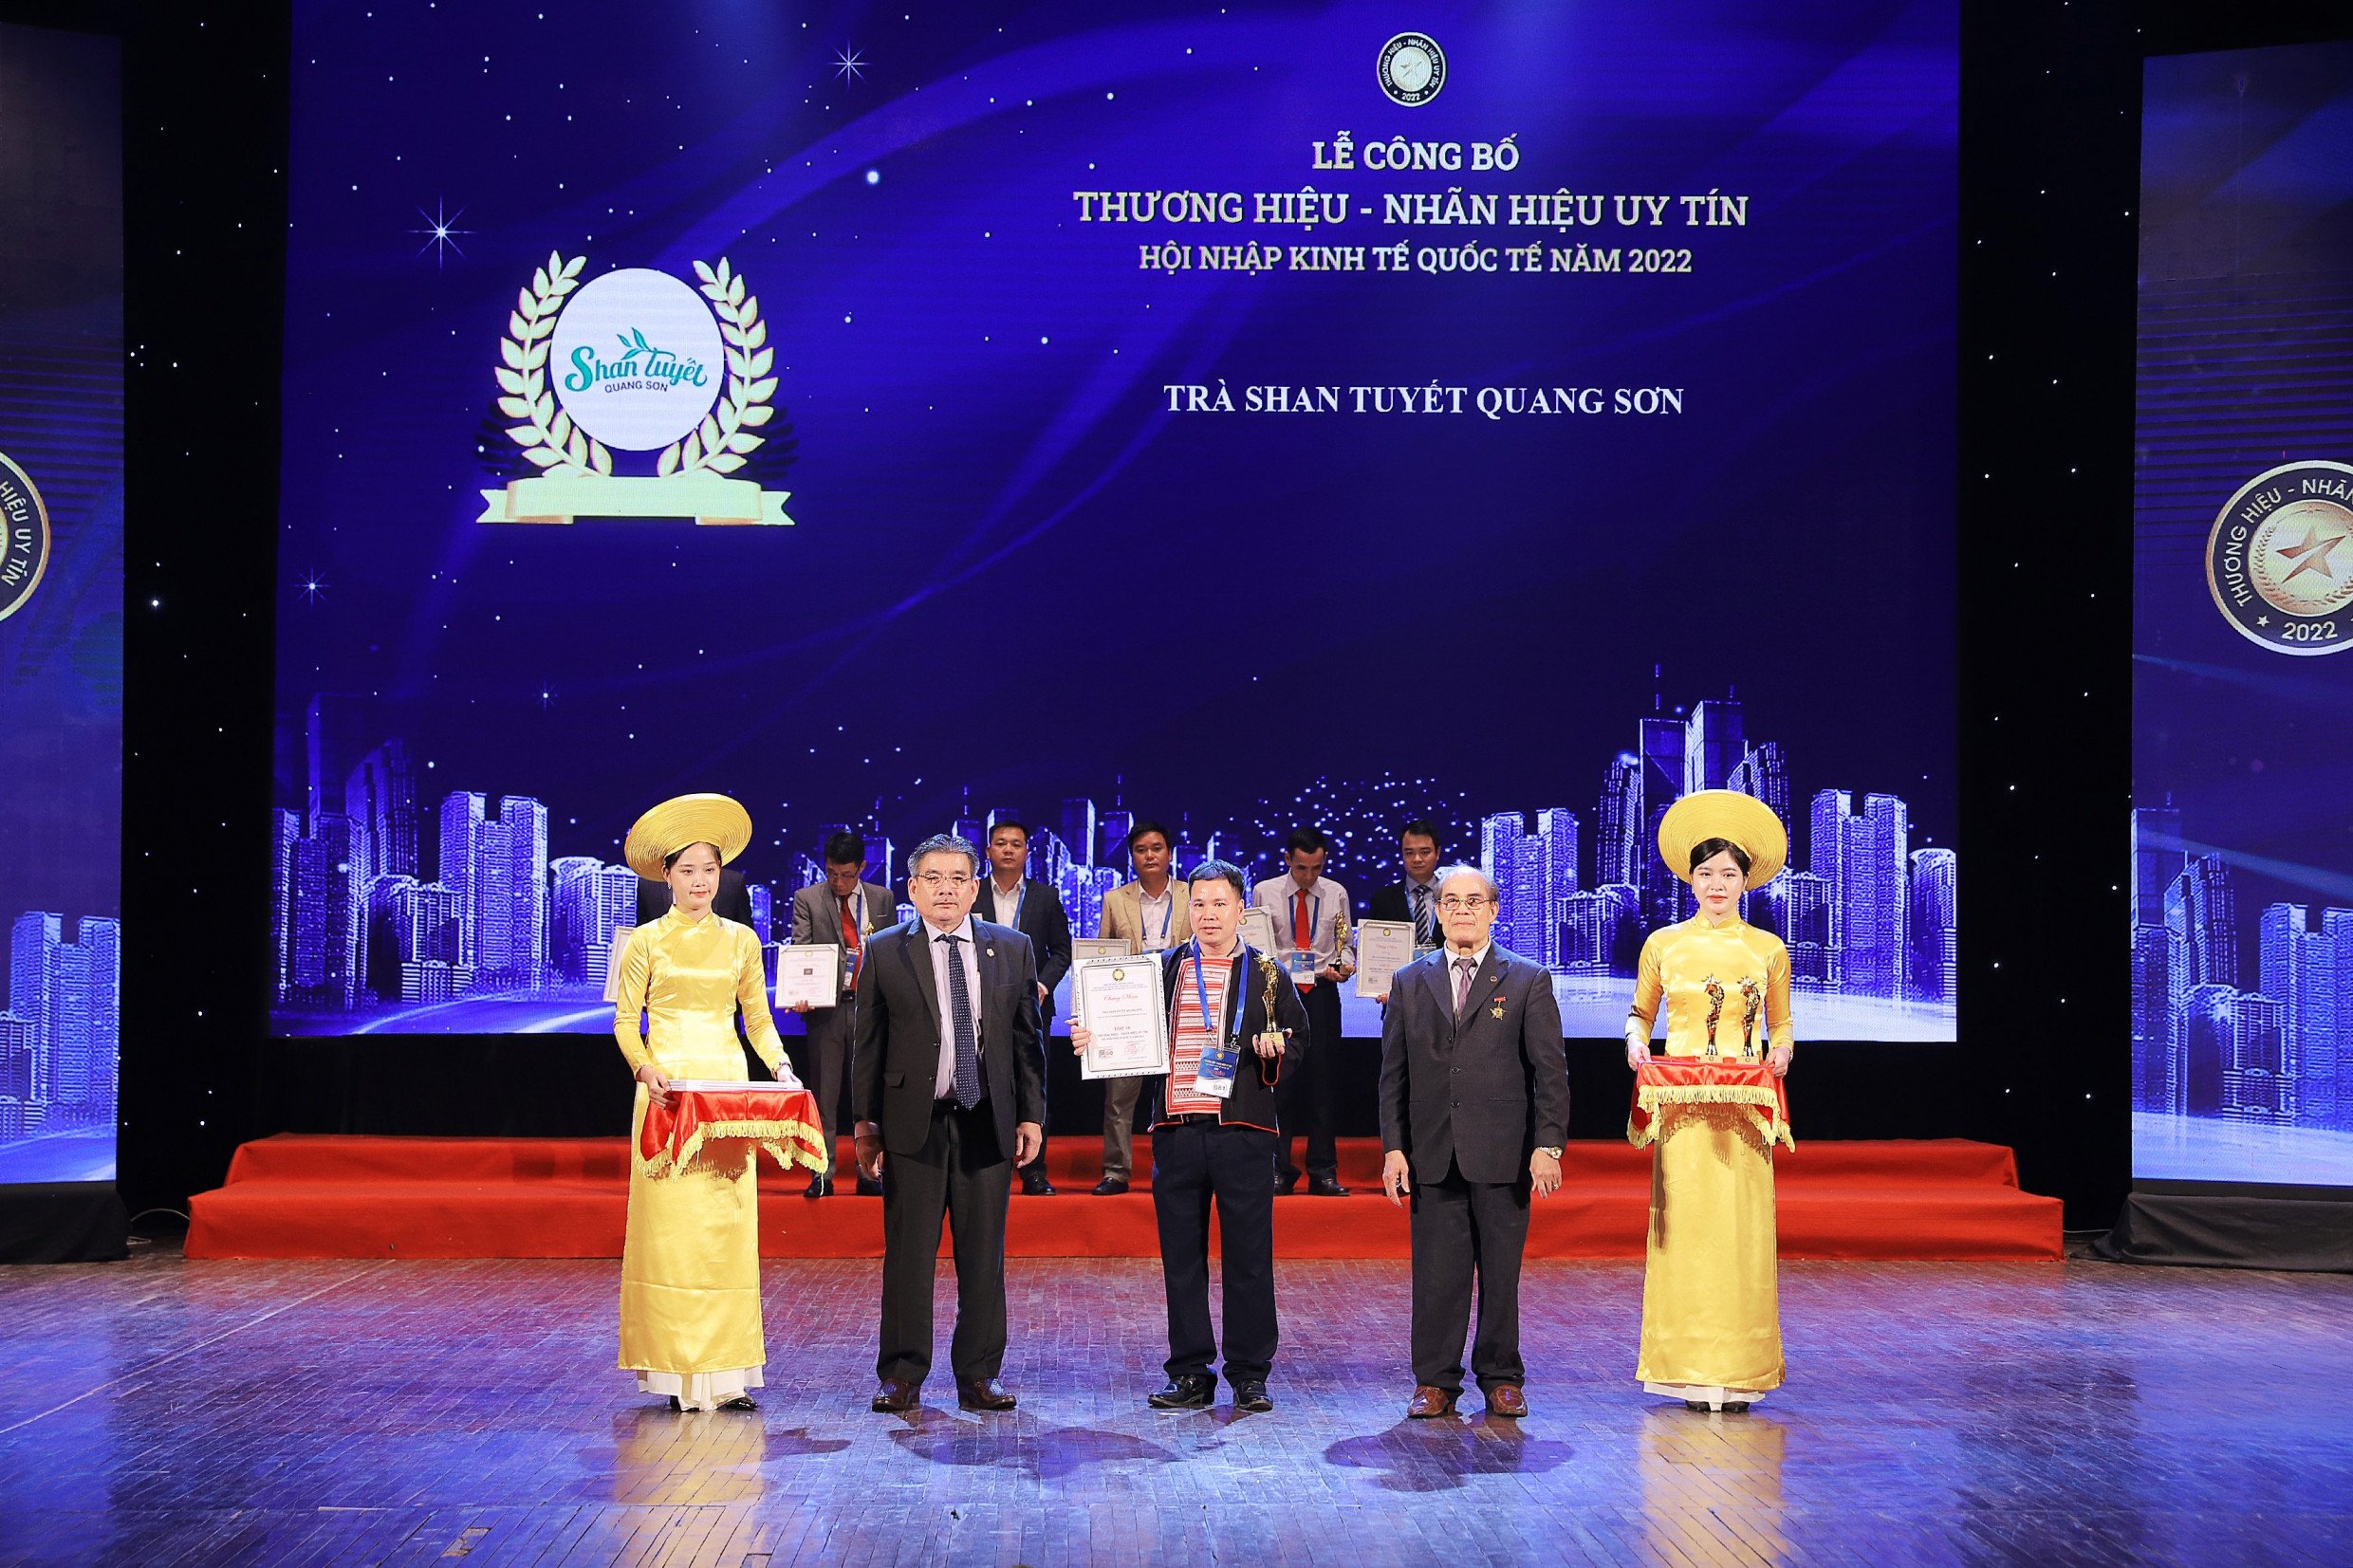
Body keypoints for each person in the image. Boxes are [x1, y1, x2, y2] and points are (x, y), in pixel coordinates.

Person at [1070, 859, 1306, 1412]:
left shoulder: (1268, 973)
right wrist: (1094, 1038)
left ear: (1241, 910)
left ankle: (1249, 1373)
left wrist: (1274, 1050)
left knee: (1249, 1258)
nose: (1208, 915)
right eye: (1198, 904)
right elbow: (1126, 1027)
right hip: (1176, 1130)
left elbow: (1298, 1043)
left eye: (1219, 904)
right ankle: (1190, 1372)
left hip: (1243, 1131)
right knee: (1181, 1260)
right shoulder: (1164, 968)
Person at [611, 794, 804, 1413]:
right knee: (671, 1234)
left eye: (710, 870)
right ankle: (674, 1372)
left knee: (724, 1230)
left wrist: (780, 1065)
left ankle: (728, 1374)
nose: (700, 881)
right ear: (666, 875)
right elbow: (625, 1022)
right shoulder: (644, 941)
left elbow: (758, 1020)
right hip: (667, 1094)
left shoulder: (742, 940)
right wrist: (645, 1068)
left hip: (723, 1096)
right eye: (688, 870)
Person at [853, 832, 1046, 1413]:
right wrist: (865, 1126)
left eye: (958, 878)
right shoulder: (885, 949)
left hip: (987, 1119)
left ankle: (980, 1375)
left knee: (984, 1256)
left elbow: (1027, 1042)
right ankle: (901, 1374)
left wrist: (1031, 1115)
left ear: (974, 887)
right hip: (913, 1123)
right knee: (909, 1255)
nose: (946, 889)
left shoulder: (1011, 947)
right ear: (912, 889)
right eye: (933, 879)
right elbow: (869, 1045)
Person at [1378, 864, 1569, 1419]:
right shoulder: (1409, 981)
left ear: (1493, 910)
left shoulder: (1528, 979)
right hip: (1432, 1152)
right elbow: (1392, 1076)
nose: (1462, 910)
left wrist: (1548, 1145)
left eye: (1473, 901)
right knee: (1437, 1277)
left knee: (1501, 1275)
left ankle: (1502, 1377)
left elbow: (1550, 1073)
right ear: (1438, 912)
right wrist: (1394, 1147)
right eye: (1451, 902)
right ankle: (1434, 1380)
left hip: (1503, 1152)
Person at [1625, 790, 1795, 1414]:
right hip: (1683, 1112)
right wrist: (1635, 1044)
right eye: (1705, 873)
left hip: (1744, 1112)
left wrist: (1782, 1052)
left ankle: (1740, 1372)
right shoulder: (1663, 943)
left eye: (1727, 873)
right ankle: (1685, 1371)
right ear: (1690, 879)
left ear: (1746, 879)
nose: (1716, 884)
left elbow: (1781, 1024)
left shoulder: (1768, 948)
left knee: (1741, 1235)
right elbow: (1640, 1014)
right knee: (1686, 1233)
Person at [787, 831, 893, 1197]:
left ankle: (870, 1172)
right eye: (831, 873)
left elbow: (891, 952)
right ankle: (822, 1172)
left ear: (861, 867)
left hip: (871, 1011)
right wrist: (801, 992)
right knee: (825, 1094)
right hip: (827, 1012)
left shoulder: (882, 898)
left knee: (869, 1096)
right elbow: (801, 948)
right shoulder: (808, 899)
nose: (838, 882)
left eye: (846, 875)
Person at [1090, 819, 1192, 1194]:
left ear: (1170, 853)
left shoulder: (1191, 894)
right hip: (1130, 1008)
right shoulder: (1115, 899)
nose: (1149, 855)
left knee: (1182, 1093)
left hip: (1182, 1003)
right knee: (1119, 1097)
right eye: (1141, 850)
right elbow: (1102, 956)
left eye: (1156, 848)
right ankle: (1115, 1172)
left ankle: (1181, 1171)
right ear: (1132, 856)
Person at [1253, 828, 1353, 1194]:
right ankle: (1278, 1169)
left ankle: (1323, 1170)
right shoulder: (1264, 892)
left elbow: (1346, 945)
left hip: (1322, 993)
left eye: (1316, 867)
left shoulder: (1336, 892)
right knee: (1278, 1082)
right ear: (1287, 860)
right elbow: (1257, 945)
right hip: (1278, 995)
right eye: (1301, 868)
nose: (1309, 876)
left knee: (1323, 1084)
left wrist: (1345, 965)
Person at [975, 820, 1074, 1194]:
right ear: (988, 851)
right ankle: (989, 1165)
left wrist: (1043, 984)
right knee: (983, 1081)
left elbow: (1062, 950)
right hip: (979, 1006)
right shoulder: (972, 893)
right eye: (1000, 843)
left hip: (1032, 1006)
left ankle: (1034, 1170)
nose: (1008, 849)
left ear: (1026, 852)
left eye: (1016, 843)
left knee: (1033, 1082)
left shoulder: (1045, 897)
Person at [1367, 820, 1446, 960]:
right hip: (1397, 971)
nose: (1417, 859)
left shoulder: (1452, 897)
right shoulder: (1383, 899)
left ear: (1438, 852)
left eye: (1425, 852)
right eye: (1409, 853)